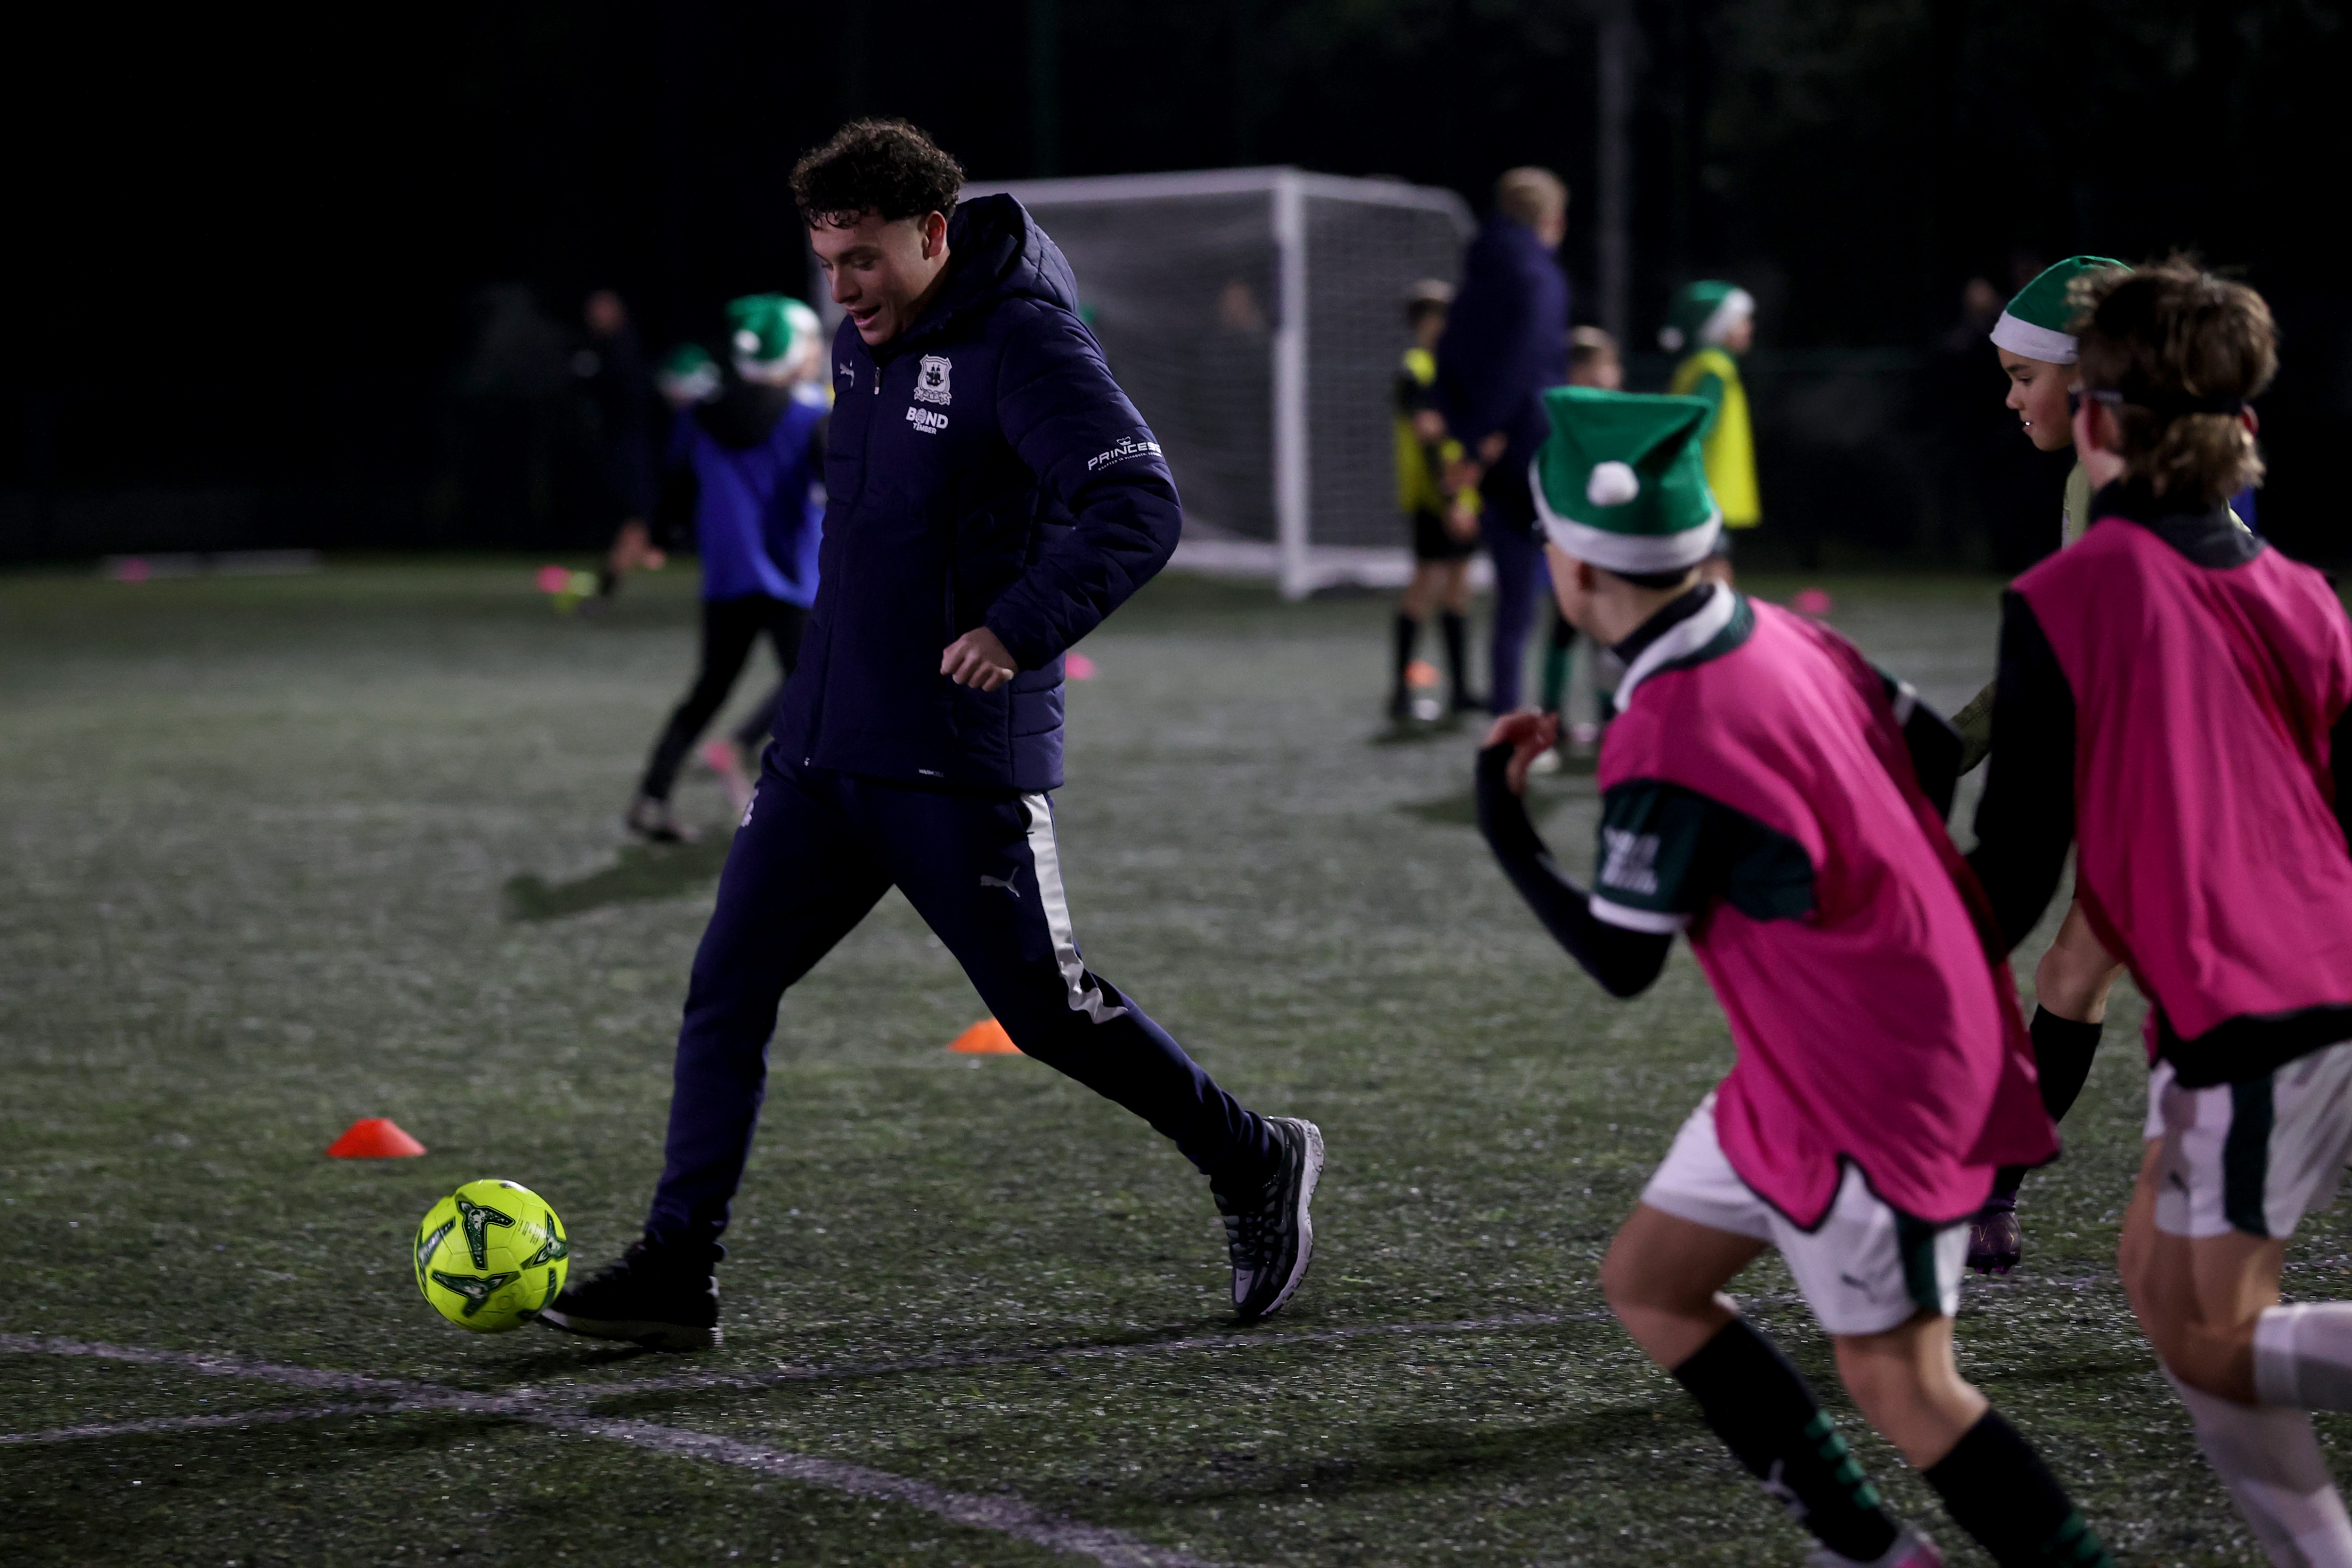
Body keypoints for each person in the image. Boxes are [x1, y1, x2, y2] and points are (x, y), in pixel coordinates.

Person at [546, 119, 1322, 1351]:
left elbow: (1138, 505)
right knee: (727, 987)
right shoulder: (863, 350)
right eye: (828, 263)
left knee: (1046, 1012)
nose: (844, 288)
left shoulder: (1024, 341)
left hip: (954, 757)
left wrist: (1018, 626)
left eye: (864, 258)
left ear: (933, 234)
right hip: (822, 752)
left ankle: (1254, 1155)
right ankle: (678, 1266)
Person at [1481, 384, 2113, 1568]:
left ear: (1577, 567)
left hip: (1870, 1076)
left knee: (1904, 1382)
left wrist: (1503, 824)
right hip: (1822, 1052)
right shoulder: (1777, 626)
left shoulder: (1663, 723)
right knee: (1652, 1280)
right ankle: (1870, 1549)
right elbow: (1932, 748)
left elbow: (1621, 959)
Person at [1967, 259, 2352, 1568]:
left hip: (2260, 1010)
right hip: (2282, 989)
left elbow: (2014, 864)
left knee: (2217, 1341)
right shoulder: (2303, 590)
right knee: (2155, 1287)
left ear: (2094, 419)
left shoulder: (2071, 595)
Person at [1951, 256, 2132, 1275]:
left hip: (2216, 790)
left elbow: (2068, 654)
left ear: (2087, 373)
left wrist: (1948, 745)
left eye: (2025, 376)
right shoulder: (2109, 468)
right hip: (2184, 782)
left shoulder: (2115, 480)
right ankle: (1994, 1182)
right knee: (2073, 971)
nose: (2013, 398)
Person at [622, 296, 829, 844]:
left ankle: (652, 795)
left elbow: (677, 482)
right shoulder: (809, 415)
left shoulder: (700, 414)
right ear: (790, 349)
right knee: (818, 686)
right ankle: (793, 803)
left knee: (709, 689)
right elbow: (842, 489)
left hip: (727, 576)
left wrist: (662, 536)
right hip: (791, 577)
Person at [1433, 166, 1570, 716]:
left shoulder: (1476, 272)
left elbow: (1451, 357)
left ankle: (1508, 719)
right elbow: (1526, 362)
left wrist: (1467, 437)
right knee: (1587, 587)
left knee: (1513, 600)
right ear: (1550, 218)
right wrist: (1493, 430)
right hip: (1532, 445)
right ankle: (1592, 714)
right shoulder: (1539, 276)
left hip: (1492, 450)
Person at [1390, 279, 1481, 722]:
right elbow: (1426, 440)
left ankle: (1460, 690)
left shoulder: (1451, 368)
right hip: (1435, 497)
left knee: (1458, 588)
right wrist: (1449, 501)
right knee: (1425, 586)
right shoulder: (1415, 371)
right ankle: (1400, 692)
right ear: (1422, 323)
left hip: (1461, 495)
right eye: (1437, 317)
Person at [1535, 327, 1622, 751]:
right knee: (1566, 627)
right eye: (1595, 365)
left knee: (1605, 631)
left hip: (1608, 540)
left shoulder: (1615, 415)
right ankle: (1552, 719)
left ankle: (1608, 719)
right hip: (1574, 540)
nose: (1605, 374)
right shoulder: (1565, 416)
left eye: (1608, 365)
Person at [1662, 282, 1759, 581]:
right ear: (1718, 326)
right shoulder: (1714, 369)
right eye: (1741, 321)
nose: (1749, 327)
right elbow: (1698, 427)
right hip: (1707, 485)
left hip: (1703, 484)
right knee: (1713, 564)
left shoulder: (1701, 365)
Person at [572, 289, 658, 604]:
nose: (595, 317)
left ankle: (606, 586)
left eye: (603, 310)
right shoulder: (598, 348)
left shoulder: (623, 350)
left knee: (638, 517)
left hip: (632, 448)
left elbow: (632, 404)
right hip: (617, 448)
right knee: (632, 518)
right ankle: (612, 578)